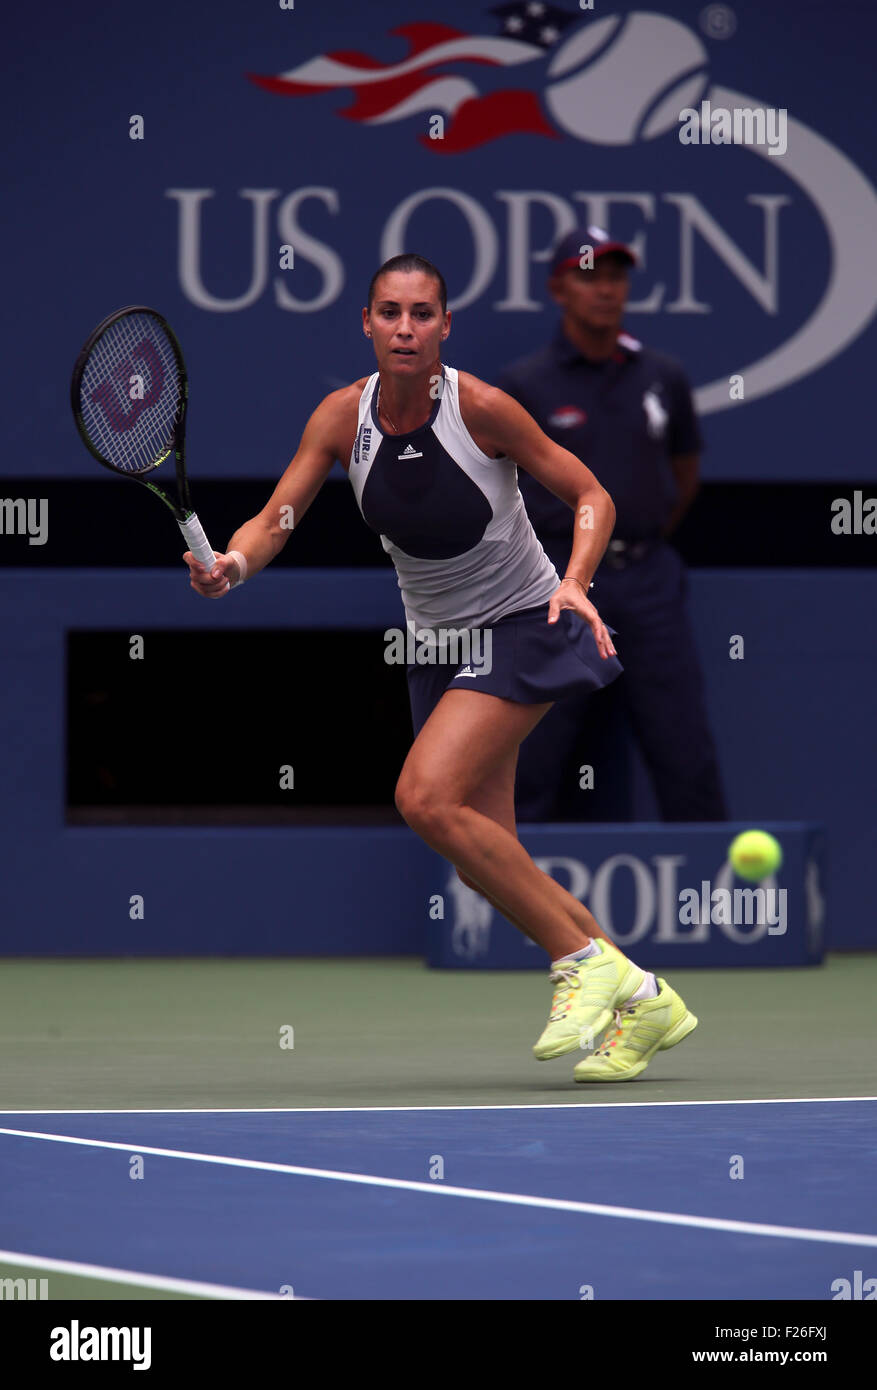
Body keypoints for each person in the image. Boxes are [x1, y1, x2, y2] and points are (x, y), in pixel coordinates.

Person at [183, 252, 698, 1082]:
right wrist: (232, 567)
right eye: (389, 312)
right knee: (482, 848)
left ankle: (579, 960)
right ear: (366, 323)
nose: (405, 328)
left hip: (528, 622)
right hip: (437, 644)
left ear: (444, 327)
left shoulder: (484, 409)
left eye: (422, 314)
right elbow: (278, 517)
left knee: (422, 797)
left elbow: (590, 494)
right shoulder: (338, 418)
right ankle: (642, 998)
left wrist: (573, 581)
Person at [496, 226, 729, 824]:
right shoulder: (527, 384)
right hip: (554, 584)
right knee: (536, 753)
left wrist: (633, 544)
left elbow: (683, 477)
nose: (607, 290)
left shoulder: (663, 376)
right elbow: (502, 492)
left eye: (617, 277)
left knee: (683, 747)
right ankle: (511, 900)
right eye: (590, 276)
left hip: (648, 577)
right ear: (558, 289)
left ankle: (707, 896)